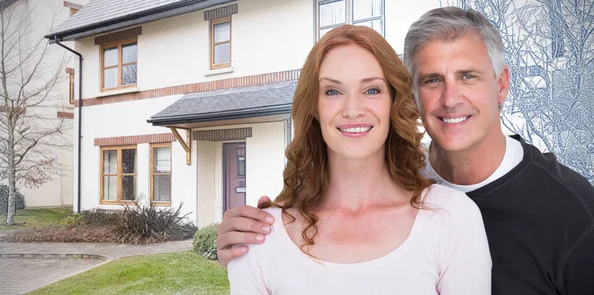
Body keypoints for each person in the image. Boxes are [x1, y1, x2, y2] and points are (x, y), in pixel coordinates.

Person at [219, 7, 594, 295]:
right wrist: (240, 245)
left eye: (467, 76)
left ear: (501, 85)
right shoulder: (408, 177)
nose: (450, 98)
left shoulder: (572, 212)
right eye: (432, 80)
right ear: (411, 96)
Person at [227, 24, 492, 294]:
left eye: (372, 90)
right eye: (333, 91)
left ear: (394, 101)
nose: (352, 110)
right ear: (314, 107)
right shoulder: (259, 236)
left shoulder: (451, 218)